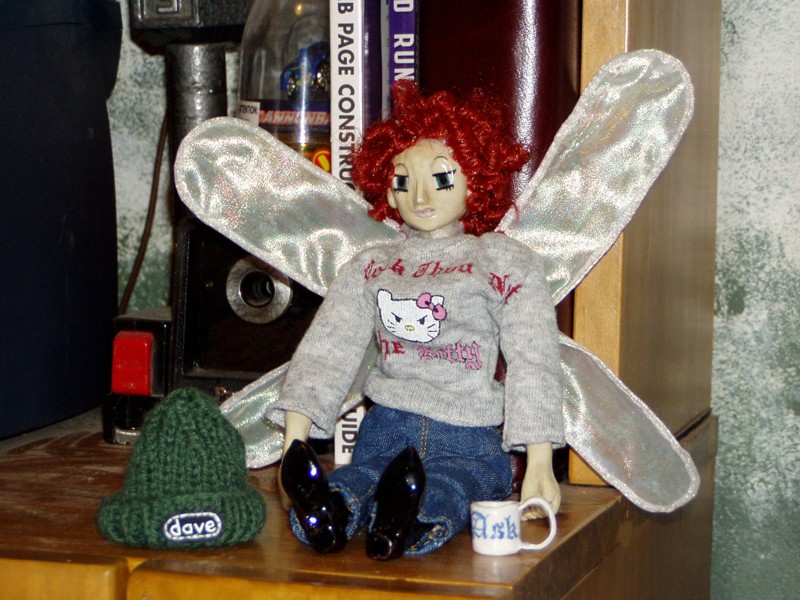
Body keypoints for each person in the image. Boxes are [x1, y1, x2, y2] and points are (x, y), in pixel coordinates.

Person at [275, 80, 564, 560]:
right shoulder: (370, 266)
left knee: (455, 483)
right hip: (387, 427)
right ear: (388, 189)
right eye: (404, 181)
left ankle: (397, 515)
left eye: (442, 178)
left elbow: (533, 359)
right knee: (363, 475)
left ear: (475, 178)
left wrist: (539, 459)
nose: (421, 196)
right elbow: (327, 351)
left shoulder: (502, 262)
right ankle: (333, 509)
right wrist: (295, 442)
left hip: (468, 432)